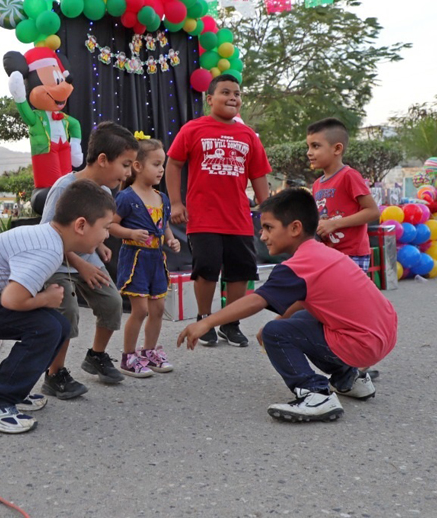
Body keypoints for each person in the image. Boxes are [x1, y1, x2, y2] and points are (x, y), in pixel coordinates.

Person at [177, 188, 397, 422]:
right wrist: (281, 320)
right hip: (384, 333)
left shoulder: (298, 265)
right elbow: (307, 299)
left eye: (269, 228)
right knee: (288, 324)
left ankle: (315, 394)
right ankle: (349, 379)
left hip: (363, 343)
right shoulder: (320, 253)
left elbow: (256, 300)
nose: (262, 236)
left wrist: (207, 321)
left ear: (294, 228)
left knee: (275, 333)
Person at [0, 179, 117, 433]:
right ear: (80, 225)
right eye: (105, 227)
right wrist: (45, 299)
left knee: (59, 324)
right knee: (46, 328)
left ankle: (14, 390)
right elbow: (12, 300)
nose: (107, 235)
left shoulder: (51, 239)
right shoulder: (46, 250)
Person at [166, 74, 271, 347]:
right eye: (226, 92)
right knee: (207, 269)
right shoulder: (193, 129)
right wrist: (176, 203)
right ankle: (204, 318)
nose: (233, 97)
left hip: (238, 218)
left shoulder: (248, 135)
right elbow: (173, 164)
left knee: (240, 271)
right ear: (210, 99)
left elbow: (259, 174)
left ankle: (230, 322)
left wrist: (269, 210)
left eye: (237, 93)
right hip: (203, 217)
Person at [38, 121, 139, 399]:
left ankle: (96, 355)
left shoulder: (105, 193)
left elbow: (96, 227)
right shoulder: (64, 188)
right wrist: (81, 263)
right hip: (57, 262)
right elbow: (51, 235)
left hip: (86, 258)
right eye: (126, 164)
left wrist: (100, 244)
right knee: (67, 310)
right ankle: (54, 374)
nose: (129, 173)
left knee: (112, 302)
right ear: (104, 160)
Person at [110, 138, 181, 377]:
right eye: (156, 163)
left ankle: (149, 351)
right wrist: (130, 233)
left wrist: (170, 239)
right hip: (135, 258)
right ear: (138, 166)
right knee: (139, 310)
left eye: (163, 164)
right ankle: (128, 356)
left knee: (158, 308)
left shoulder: (162, 198)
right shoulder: (126, 198)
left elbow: (165, 225)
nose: (162, 169)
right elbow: (110, 226)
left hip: (156, 259)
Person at [307, 118, 380, 274]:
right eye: (308, 147)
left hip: (352, 254)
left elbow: (372, 211)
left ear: (337, 149)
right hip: (328, 254)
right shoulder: (317, 184)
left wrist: (334, 224)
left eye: (315, 146)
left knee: (350, 298)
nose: (309, 152)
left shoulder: (349, 176)